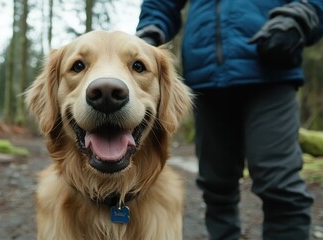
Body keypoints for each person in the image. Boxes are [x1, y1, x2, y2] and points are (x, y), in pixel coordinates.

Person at [136, 1, 323, 240]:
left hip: (271, 69)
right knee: (216, 187)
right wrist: (149, 32)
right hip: (206, 78)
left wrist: (302, 14)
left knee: (280, 183)